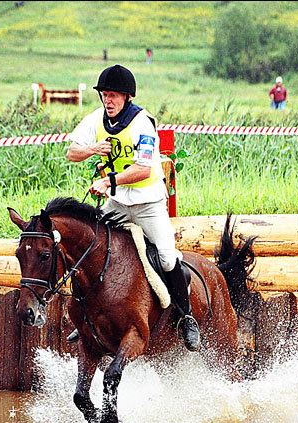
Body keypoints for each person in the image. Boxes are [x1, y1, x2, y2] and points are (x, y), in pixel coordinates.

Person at [66, 64, 200, 351]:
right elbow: (72, 152)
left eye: (113, 95)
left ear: (127, 97)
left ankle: (186, 316)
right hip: (118, 201)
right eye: (104, 95)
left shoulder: (142, 123)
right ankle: (87, 316)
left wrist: (108, 181)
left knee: (167, 258)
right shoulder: (96, 119)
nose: (108, 101)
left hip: (148, 202)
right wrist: (92, 149)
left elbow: (142, 169)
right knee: (91, 248)